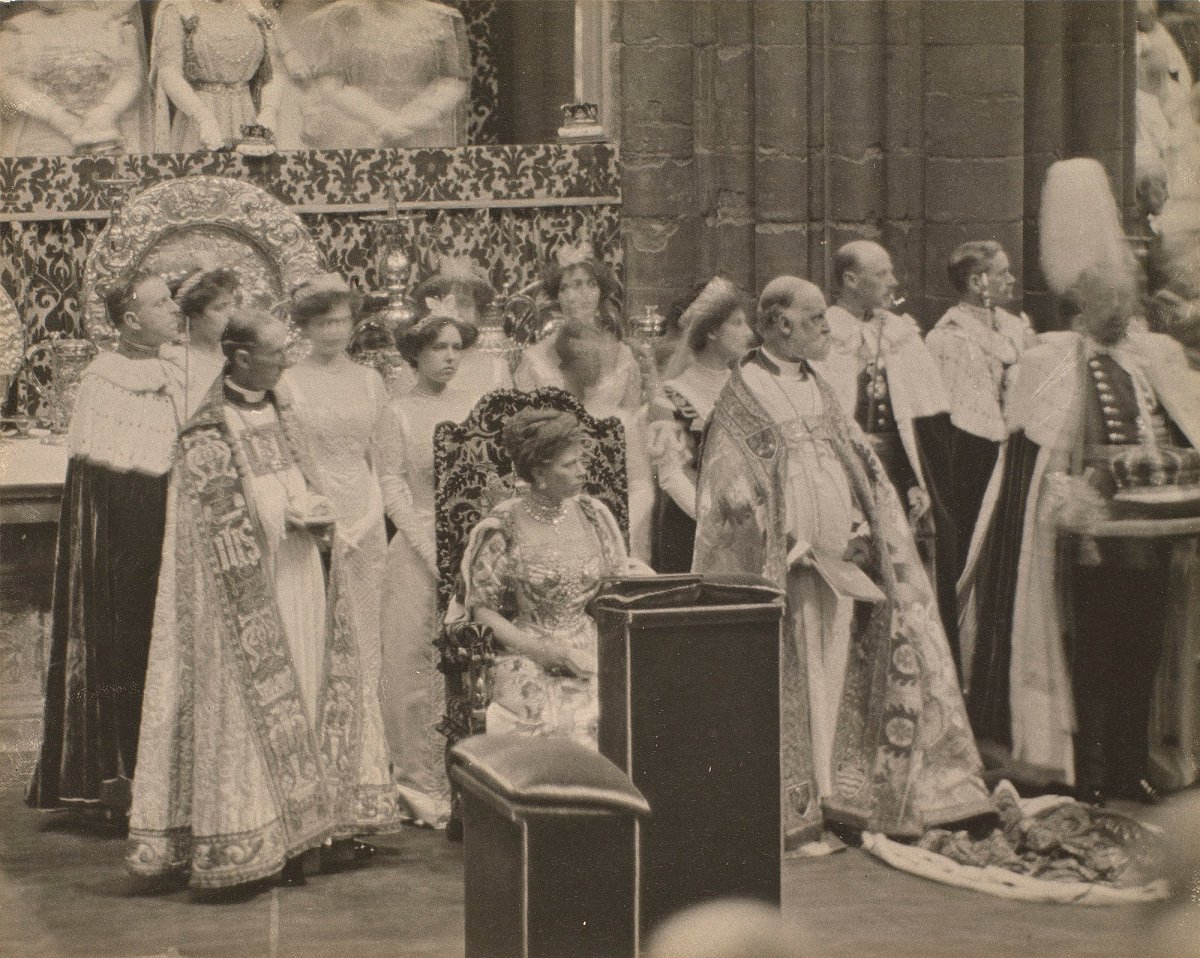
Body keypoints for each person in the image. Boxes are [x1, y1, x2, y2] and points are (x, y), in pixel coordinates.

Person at [693, 275, 991, 848]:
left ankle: (838, 796)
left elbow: (855, 464)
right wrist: (788, 547)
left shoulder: (822, 386)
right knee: (799, 677)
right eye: (817, 321)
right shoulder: (743, 395)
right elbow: (728, 494)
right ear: (782, 324)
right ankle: (799, 809)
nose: (829, 331)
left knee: (837, 675)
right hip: (783, 570)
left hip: (841, 565)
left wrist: (862, 527)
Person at [127, 311, 399, 891]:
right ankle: (251, 832)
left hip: (299, 571)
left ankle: (313, 829)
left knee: (306, 689)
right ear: (240, 355)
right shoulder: (207, 429)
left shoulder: (281, 409)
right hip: (246, 590)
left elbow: (299, 476)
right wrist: (283, 514)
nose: (286, 359)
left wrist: (315, 510)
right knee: (253, 710)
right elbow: (215, 517)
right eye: (276, 350)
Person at [962, 159, 1200, 806]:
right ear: (1082, 302)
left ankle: (1129, 767)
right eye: (1111, 297)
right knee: (1090, 662)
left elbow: (1177, 430)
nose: (1124, 308)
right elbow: (1031, 469)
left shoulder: (1153, 359)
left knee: (1142, 656)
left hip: (1153, 540)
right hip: (1086, 551)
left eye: (1127, 295)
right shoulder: (1050, 364)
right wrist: (1067, 501)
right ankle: (1087, 771)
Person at [27, 271, 183, 816]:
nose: (174, 309)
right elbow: (102, 489)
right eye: (161, 302)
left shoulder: (183, 369)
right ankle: (131, 774)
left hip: (179, 533)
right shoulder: (103, 382)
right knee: (131, 651)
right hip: (128, 548)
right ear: (131, 319)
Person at [280, 274, 395, 838]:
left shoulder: (372, 380)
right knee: (319, 639)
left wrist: (367, 520)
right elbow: (292, 462)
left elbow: (379, 461)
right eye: (324, 322)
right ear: (303, 328)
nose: (335, 331)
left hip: (365, 520)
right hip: (316, 518)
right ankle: (318, 768)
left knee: (366, 638)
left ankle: (367, 773)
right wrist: (327, 522)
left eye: (343, 321)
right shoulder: (289, 381)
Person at [814, 240, 960, 670]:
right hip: (844, 479)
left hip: (899, 477)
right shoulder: (826, 335)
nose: (893, 282)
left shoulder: (902, 336)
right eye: (882, 274)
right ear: (850, 280)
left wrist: (919, 482)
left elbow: (927, 422)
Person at [462, 408, 646, 747]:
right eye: (569, 465)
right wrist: (542, 651)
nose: (582, 471)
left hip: (593, 643)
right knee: (553, 717)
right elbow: (482, 610)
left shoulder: (593, 514)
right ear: (539, 473)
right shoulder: (505, 525)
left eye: (581, 461)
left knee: (638, 703)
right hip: (530, 649)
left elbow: (615, 587)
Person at [375, 306, 478, 827]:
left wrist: (474, 545)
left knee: (469, 664)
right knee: (414, 663)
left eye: (457, 347)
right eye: (439, 347)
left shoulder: (474, 409)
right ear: (415, 353)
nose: (449, 357)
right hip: (417, 549)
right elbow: (392, 489)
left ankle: (468, 781)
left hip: (471, 545)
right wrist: (431, 548)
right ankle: (420, 785)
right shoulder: (396, 412)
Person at [925, 242, 1036, 575]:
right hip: (970, 458)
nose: (1012, 280)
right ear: (977, 282)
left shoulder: (1016, 327)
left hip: (1016, 452)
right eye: (1002, 273)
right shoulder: (944, 338)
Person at [646, 277, 754, 572]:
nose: (749, 333)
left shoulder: (750, 392)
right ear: (712, 332)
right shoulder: (668, 397)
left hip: (747, 528)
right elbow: (670, 476)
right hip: (690, 529)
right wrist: (714, 523)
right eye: (738, 323)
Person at [289, 0, 469, 149]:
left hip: (422, 133)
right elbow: (330, 82)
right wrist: (382, 119)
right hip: (358, 130)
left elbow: (453, 80)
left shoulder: (444, 18)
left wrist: (413, 118)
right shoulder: (341, 16)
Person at [552, 319, 654, 563]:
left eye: (597, 355)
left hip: (616, 532)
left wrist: (615, 525)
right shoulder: (548, 419)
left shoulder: (618, 421)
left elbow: (642, 486)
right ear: (565, 364)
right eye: (585, 355)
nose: (595, 363)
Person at [0, 1, 153, 157]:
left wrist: (106, 111)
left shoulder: (114, 25)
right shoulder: (18, 28)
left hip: (102, 132)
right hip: (41, 136)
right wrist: (54, 115)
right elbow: (7, 82)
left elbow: (130, 77)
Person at [514, 247, 644, 412]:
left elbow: (633, 416)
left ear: (600, 292)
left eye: (587, 284)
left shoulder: (624, 356)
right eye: (564, 288)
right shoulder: (534, 357)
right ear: (557, 296)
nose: (572, 296)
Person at [151, 0, 282, 151]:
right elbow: (169, 72)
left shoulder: (255, 7)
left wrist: (269, 110)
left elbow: (275, 68)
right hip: (199, 122)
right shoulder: (178, 7)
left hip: (247, 119)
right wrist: (202, 117)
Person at [411, 256, 513, 401]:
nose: (456, 311)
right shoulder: (417, 366)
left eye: (464, 303)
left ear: (478, 315)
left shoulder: (497, 368)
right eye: (450, 301)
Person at [161, 267, 241, 419]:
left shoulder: (234, 353)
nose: (231, 314)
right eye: (219, 308)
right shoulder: (175, 359)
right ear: (193, 315)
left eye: (230, 304)